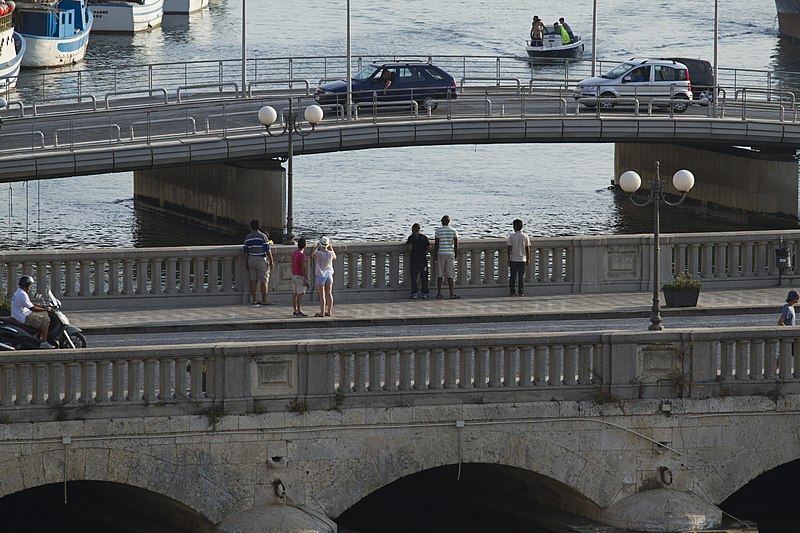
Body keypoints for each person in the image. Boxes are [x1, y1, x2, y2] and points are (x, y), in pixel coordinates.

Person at [11, 275, 53, 349]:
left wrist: (42, 306)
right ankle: (44, 342)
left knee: (39, 318)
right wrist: (45, 310)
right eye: (30, 285)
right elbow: (32, 308)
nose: (30, 287)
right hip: (23, 317)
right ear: (27, 285)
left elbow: (29, 304)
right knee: (46, 320)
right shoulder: (22, 294)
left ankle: (37, 337)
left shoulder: (18, 292)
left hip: (19, 315)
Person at [243, 219, 274, 307]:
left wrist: (246, 263)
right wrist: (271, 261)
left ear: (250, 227)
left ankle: (254, 300)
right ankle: (264, 300)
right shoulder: (263, 236)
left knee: (253, 280)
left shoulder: (247, 237)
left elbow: (245, 252)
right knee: (264, 281)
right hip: (260, 259)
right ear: (259, 226)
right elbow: (267, 250)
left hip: (251, 259)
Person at [434, 215, 459, 299]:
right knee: (450, 274)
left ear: (441, 221)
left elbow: (436, 245)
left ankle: (439, 293)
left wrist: (435, 255)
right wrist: (455, 254)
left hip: (441, 253)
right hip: (450, 253)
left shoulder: (438, 231)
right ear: (449, 222)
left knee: (440, 274)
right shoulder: (453, 231)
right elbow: (456, 245)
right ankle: (451, 293)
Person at [312, 236, 337, 317]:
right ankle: (329, 311)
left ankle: (322, 312)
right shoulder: (330, 253)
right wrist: (331, 248)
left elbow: (312, 255)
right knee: (329, 293)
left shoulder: (318, 253)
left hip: (320, 275)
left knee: (322, 294)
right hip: (329, 274)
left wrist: (316, 247)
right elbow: (335, 257)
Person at [406, 223, 432, 299]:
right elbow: (429, 248)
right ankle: (425, 293)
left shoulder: (411, 238)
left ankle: (414, 293)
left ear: (413, 229)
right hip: (423, 260)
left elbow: (409, 248)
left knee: (414, 278)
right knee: (424, 277)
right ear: (419, 229)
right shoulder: (424, 237)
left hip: (414, 260)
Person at [507, 219, 531, 296]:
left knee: (512, 276)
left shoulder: (512, 236)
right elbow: (528, 248)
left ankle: (512, 291)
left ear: (515, 227)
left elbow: (509, 248)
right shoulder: (525, 236)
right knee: (521, 277)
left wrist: (508, 258)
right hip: (522, 259)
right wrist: (528, 258)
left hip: (513, 259)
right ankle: (521, 291)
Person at [291, 238, 310, 317]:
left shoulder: (294, 253)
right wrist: (306, 278)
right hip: (300, 276)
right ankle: (298, 310)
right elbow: (304, 267)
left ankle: (295, 309)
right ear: (305, 245)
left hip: (294, 274)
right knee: (300, 294)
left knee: (295, 293)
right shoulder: (302, 255)